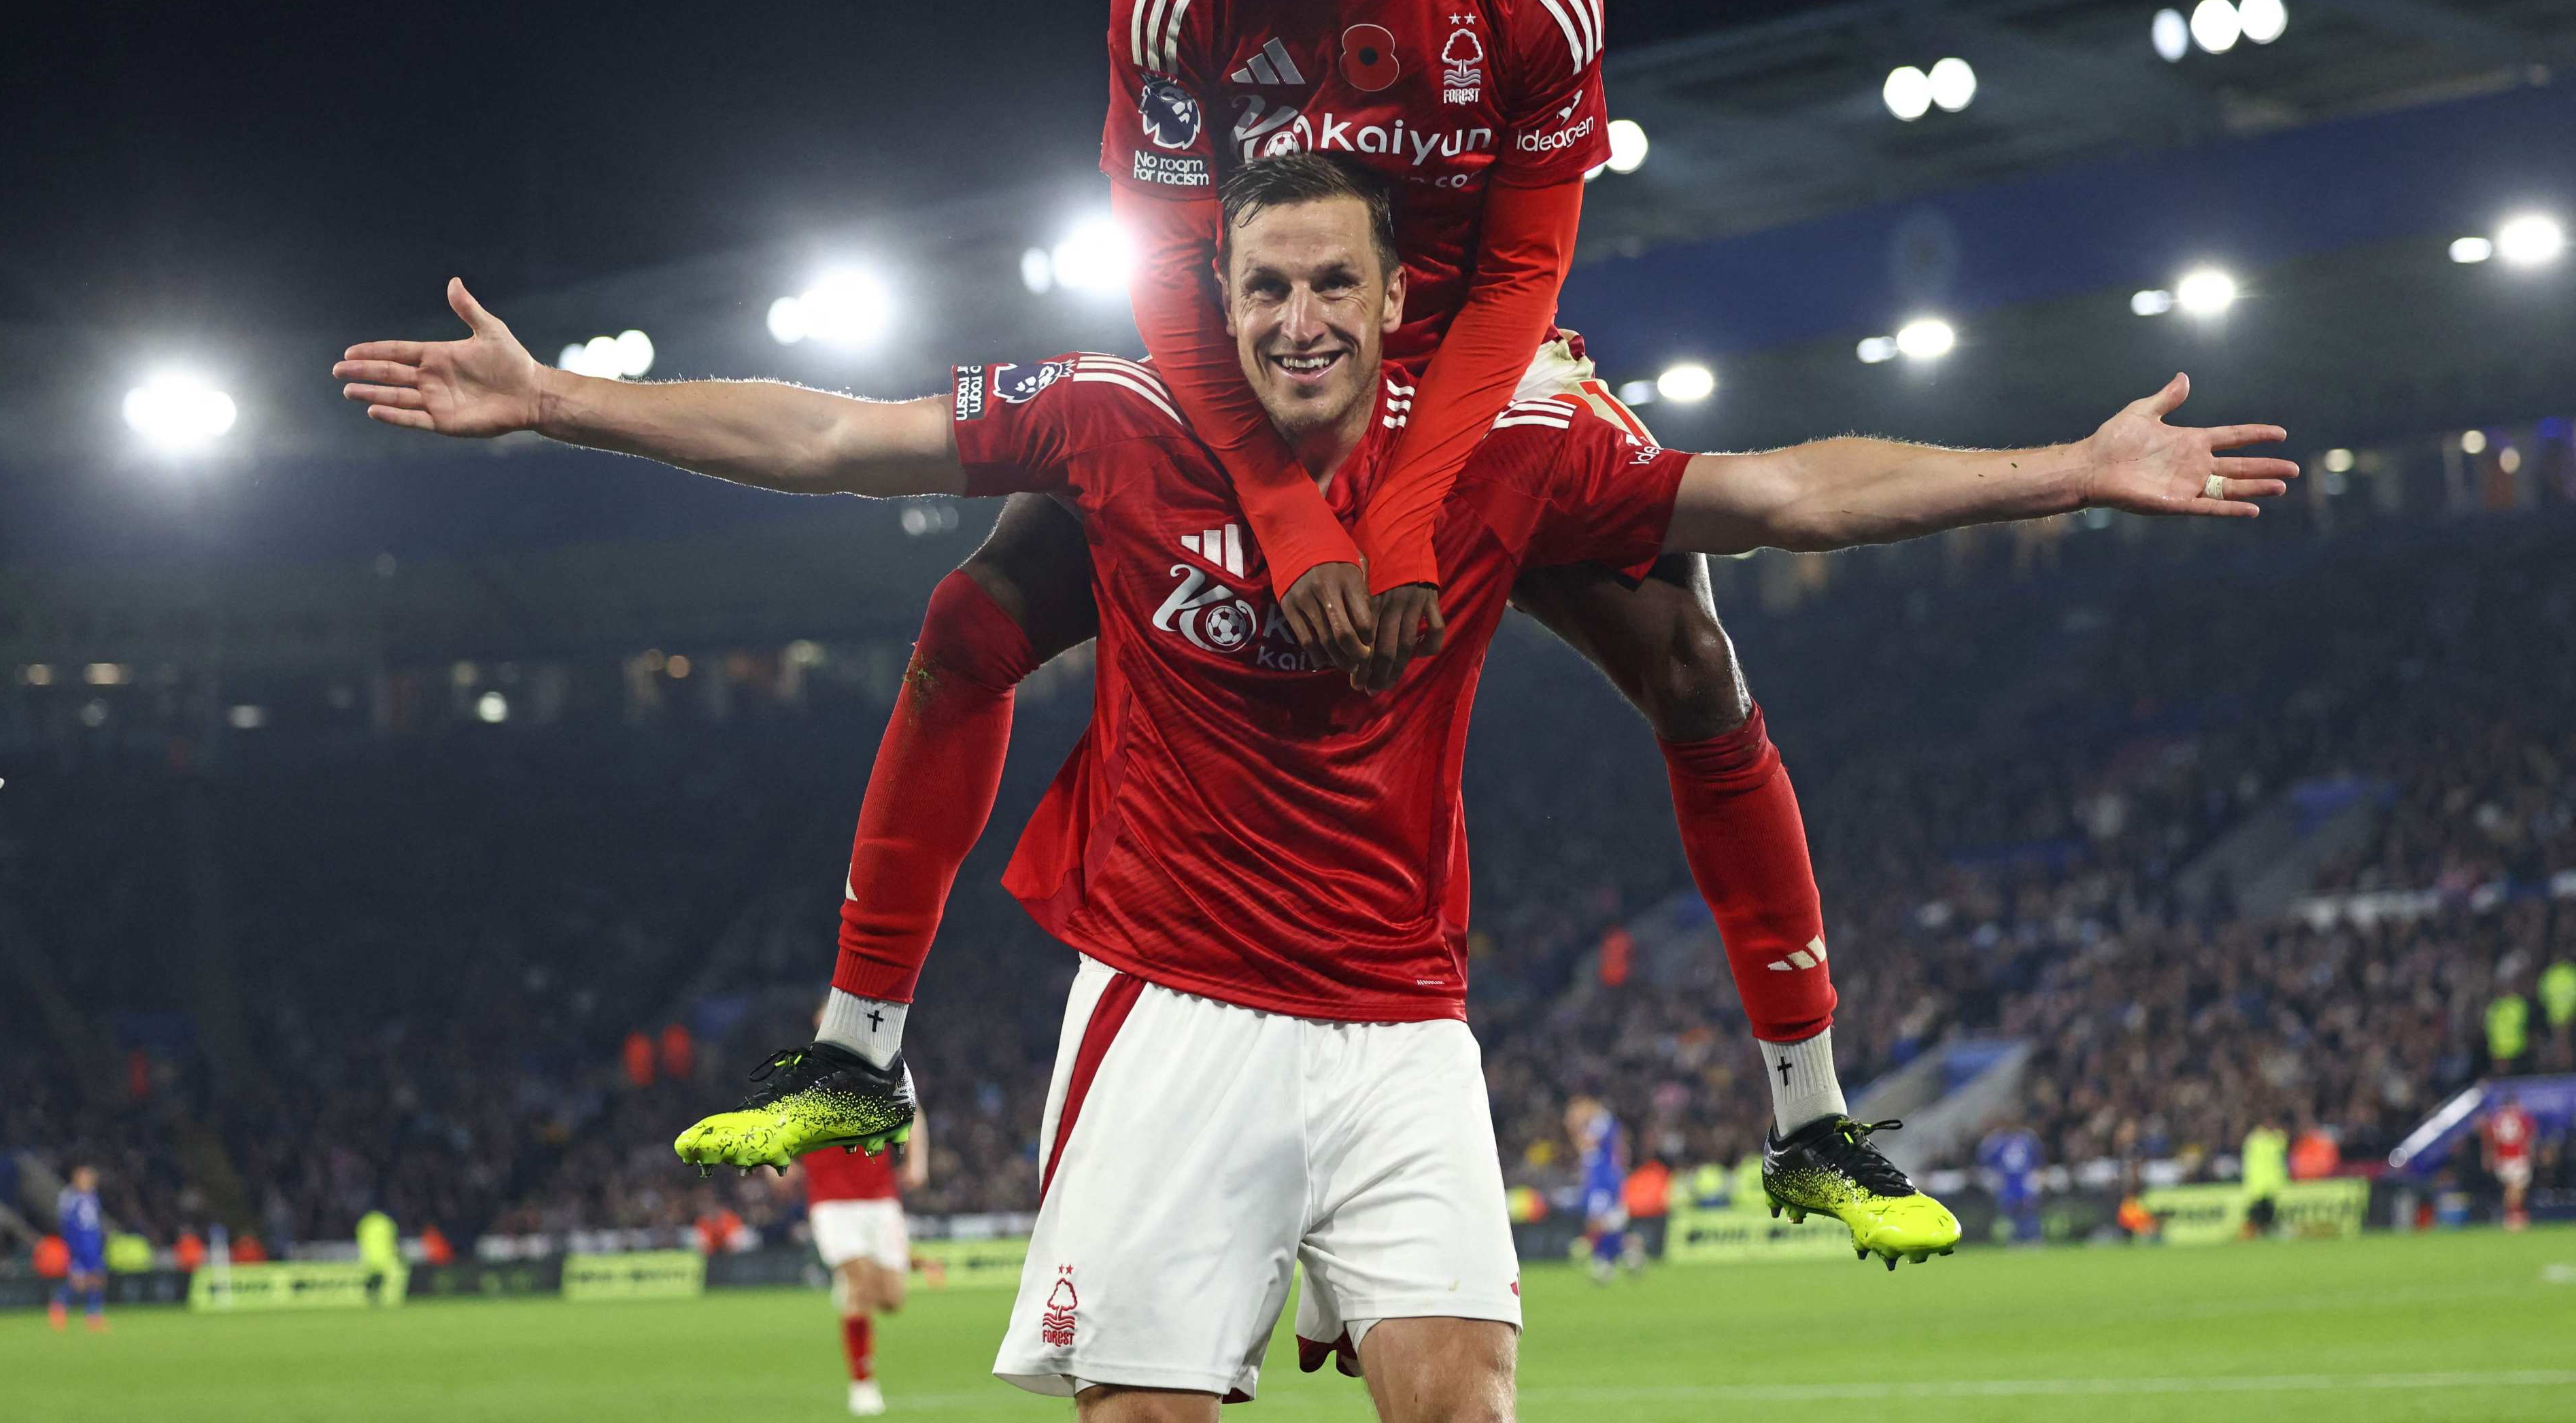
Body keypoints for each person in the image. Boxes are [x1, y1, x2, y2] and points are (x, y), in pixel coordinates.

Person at [335, 153, 2292, 1412]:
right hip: (1178, 1005)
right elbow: (838, 434)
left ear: (1390, 305)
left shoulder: (1503, 462)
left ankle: (1817, 1108)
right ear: (1222, 296)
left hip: (1403, 1023)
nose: (1292, 319)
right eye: (1260, 286)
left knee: (1464, 1400)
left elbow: (1784, 492)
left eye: (1327, 288)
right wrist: (565, 401)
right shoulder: (1117, 422)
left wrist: (2068, 464)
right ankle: (859, 1035)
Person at [755, 0, 1936, 1254]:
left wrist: (1397, 515)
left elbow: (1523, 269)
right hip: (1259, 349)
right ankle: (862, 1050)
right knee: (965, 620)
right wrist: (1302, 517)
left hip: (1468, 362)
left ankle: (1810, 1114)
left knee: (1690, 661)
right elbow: (1172, 277)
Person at [804, 1097, 931, 1418]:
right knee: (860, 1286)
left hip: (880, 1200)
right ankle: (863, 1385)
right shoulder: (807, 1076)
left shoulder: (878, 1073)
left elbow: (913, 1114)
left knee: (891, 1300)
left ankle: (849, 1286)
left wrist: (917, 1164)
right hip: (831, 1202)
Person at [1564, 1096, 1636, 1282]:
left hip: (1603, 1179)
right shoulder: (1600, 1122)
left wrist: (1575, 1128)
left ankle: (1607, 1260)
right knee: (1606, 1220)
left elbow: (1587, 1144)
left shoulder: (1601, 1121)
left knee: (1597, 1221)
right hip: (1597, 1178)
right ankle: (1627, 1255)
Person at [54, 1165, 107, 1332]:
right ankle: (59, 1305)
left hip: (93, 1244)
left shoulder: (93, 1197)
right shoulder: (70, 1198)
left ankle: (93, 1314)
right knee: (78, 1282)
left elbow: (94, 1224)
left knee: (97, 1278)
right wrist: (72, 1246)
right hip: (79, 1245)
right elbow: (68, 1224)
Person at [1976, 1124, 2044, 1246]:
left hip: (2023, 1181)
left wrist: (2036, 1176)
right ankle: (2018, 1238)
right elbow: (1985, 1159)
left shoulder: (2027, 1140)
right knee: (2012, 1210)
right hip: (2008, 1182)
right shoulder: (1998, 1142)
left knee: (2027, 1209)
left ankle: (2033, 1237)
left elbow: (2037, 1160)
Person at [2481, 1092, 2537, 1232]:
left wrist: (2489, 1157)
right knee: (2516, 1188)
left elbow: (2490, 1140)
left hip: (2503, 1158)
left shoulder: (2497, 1119)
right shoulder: (2522, 1117)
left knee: (2512, 1188)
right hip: (2518, 1157)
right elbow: (2530, 1136)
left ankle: (2514, 1215)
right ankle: (2513, 1216)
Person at [2240, 1120, 2288, 1239]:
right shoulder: (2255, 1140)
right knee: (2259, 1212)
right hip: (2259, 1184)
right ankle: (2253, 1232)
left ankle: (2261, 1232)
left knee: (2267, 1211)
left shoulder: (2271, 1139)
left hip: (2269, 1184)